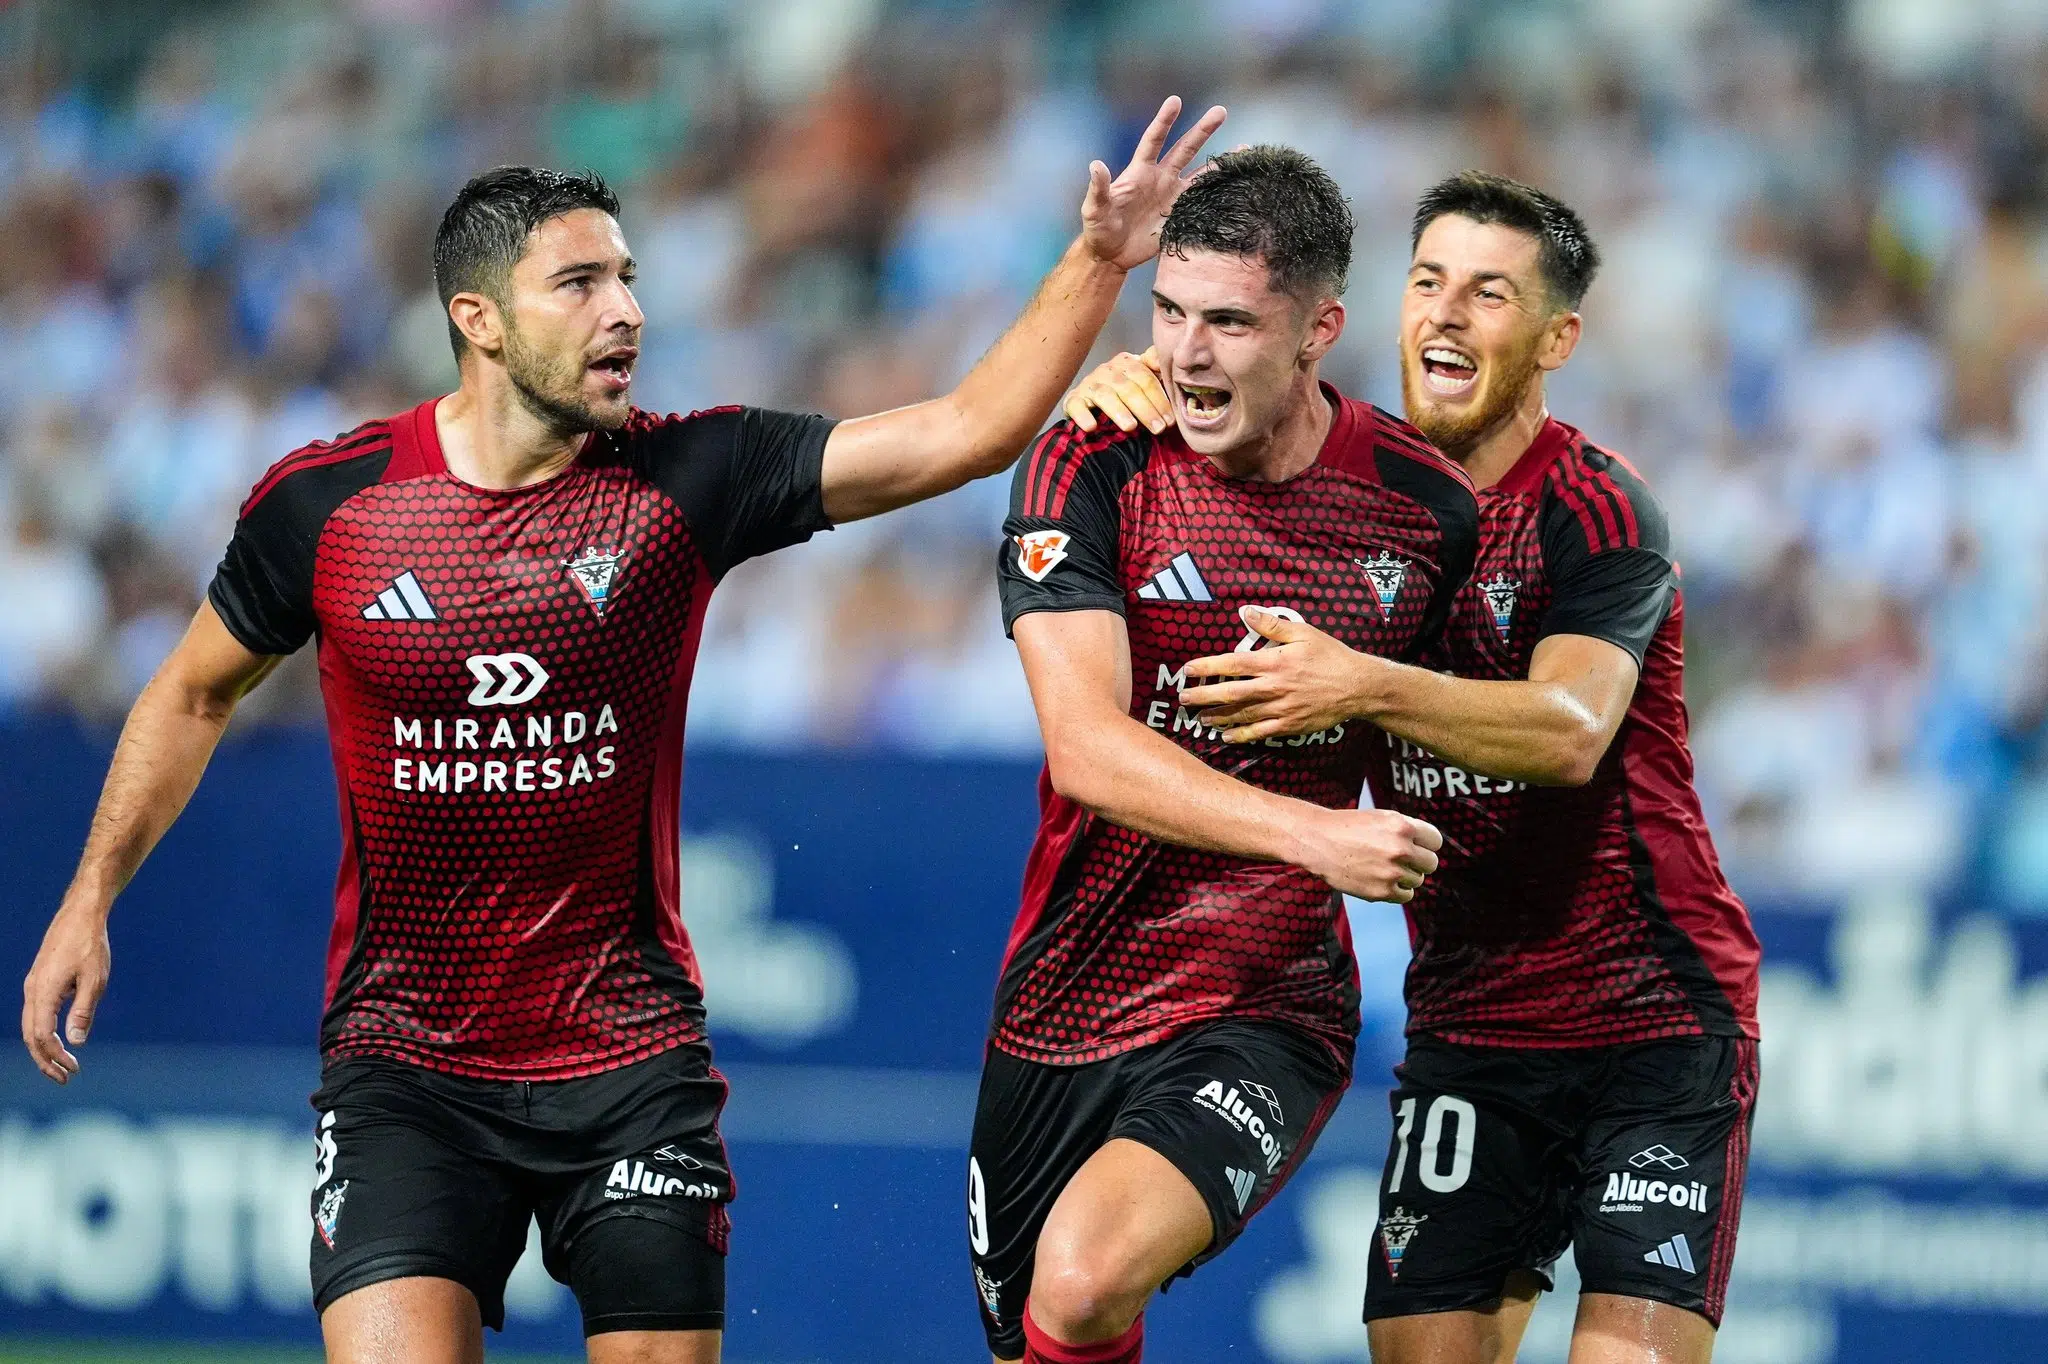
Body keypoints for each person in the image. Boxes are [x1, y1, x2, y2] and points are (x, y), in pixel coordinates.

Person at [19, 95, 1224, 1364]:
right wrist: (88, 894)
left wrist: (1099, 259)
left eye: (629, 278)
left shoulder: (686, 479)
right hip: (402, 1070)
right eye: (580, 283)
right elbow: (191, 691)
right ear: (478, 319)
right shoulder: (332, 506)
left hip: (628, 1067)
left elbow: (966, 430)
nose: (627, 312)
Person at [1061, 170, 1762, 1364]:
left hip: (1648, 1019)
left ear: (1554, 339)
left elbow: (1568, 728)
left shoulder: (1596, 510)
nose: (1443, 312)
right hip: (1468, 1020)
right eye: (1426, 280)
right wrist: (1131, 402)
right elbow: (1211, 445)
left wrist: (1363, 683)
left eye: (1487, 293)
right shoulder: (1346, 495)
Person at [973, 145, 1477, 1364]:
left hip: (1267, 1001)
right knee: (1034, 1328)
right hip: (1064, 994)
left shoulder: (1423, 510)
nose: (1184, 354)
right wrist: (1314, 831)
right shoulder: (1092, 458)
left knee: (1083, 1277)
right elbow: (1086, 749)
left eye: (1230, 323)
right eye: (1168, 312)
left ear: (1318, 330)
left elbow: (1469, 738)